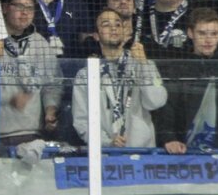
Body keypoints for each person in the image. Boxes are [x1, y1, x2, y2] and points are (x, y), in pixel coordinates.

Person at [154, 8, 218, 153]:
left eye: (214, 34)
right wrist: (169, 138)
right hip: (184, 150)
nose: (208, 40)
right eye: (202, 33)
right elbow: (168, 109)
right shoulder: (177, 69)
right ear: (190, 33)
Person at [71, 8, 168, 148]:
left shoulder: (143, 64)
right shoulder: (85, 74)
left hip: (142, 151)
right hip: (104, 154)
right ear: (96, 35)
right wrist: (106, 142)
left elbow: (156, 102)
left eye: (118, 24)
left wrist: (143, 65)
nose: (113, 28)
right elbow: (82, 121)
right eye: (106, 25)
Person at [0, 0, 63, 148]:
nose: (25, 12)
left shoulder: (40, 43)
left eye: (29, 8)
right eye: (19, 6)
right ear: (5, 8)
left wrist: (50, 110)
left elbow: (52, 84)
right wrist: (9, 99)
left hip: (31, 134)